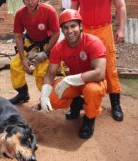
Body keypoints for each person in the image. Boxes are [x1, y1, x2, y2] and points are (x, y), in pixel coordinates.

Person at [70, 0, 127, 121]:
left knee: (109, 67)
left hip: (104, 30)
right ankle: (80, 103)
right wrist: (72, 34)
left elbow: (121, 7)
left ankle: (115, 103)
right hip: (84, 32)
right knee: (83, 67)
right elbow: (73, 13)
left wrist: (121, 29)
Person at [40, 9, 107, 139]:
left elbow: (99, 73)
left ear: (80, 26)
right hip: (75, 81)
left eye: (73, 26)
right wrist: (43, 95)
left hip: (93, 81)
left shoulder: (93, 42)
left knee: (92, 90)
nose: (70, 31)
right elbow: (50, 74)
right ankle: (76, 103)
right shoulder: (58, 48)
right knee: (53, 97)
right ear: (62, 30)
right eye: (65, 28)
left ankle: (89, 119)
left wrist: (69, 80)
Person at [9, 0, 60, 104]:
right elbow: (18, 35)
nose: (30, 2)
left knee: (41, 73)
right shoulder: (20, 14)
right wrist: (23, 58)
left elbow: (56, 33)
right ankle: (23, 94)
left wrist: (46, 53)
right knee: (15, 66)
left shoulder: (49, 11)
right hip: (30, 43)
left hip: (47, 44)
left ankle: (47, 98)